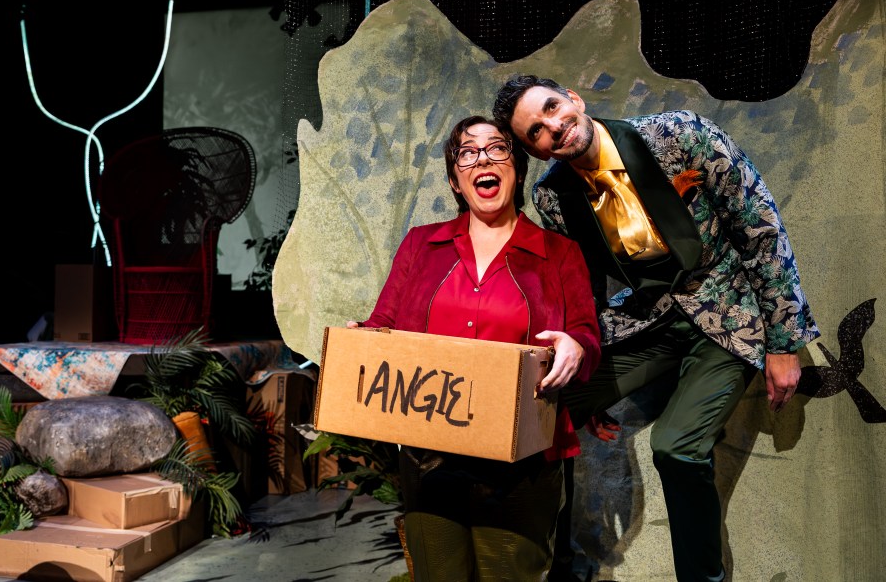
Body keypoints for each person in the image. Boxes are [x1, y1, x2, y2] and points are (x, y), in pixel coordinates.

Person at [491, 75, 820, 581]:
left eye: (552, 108)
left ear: (574, 99)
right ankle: (543, 567)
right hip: (649, 321)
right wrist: (587, 373)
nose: (553, 127)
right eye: (535, 130)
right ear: (534, 150)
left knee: (675, 448)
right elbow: (584, 290)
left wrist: (783, 342)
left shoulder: (679, 134)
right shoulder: (553, 197)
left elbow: (761, 230)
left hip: (726, 311)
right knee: (543, 408)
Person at [347, 115, 601, 581]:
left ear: (517, 169)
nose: (483, 159)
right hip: (429, 454)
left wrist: (577, 347)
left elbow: (586, 335)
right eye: (467, 152)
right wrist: (360, 339)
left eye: (497, 148)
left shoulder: (560, 253)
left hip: (523, 461)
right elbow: (384, 325)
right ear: (455, 180)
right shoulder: (421, 245)